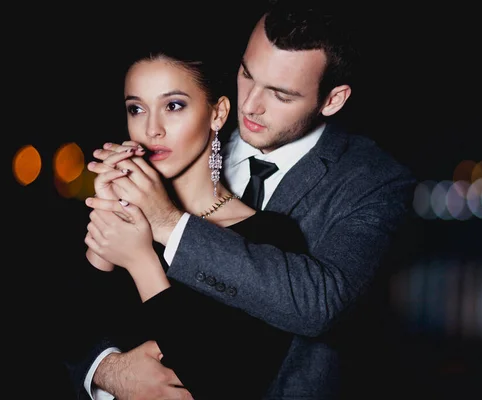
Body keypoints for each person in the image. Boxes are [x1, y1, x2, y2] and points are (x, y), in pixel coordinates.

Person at [84, 0, 416, 398]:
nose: (251, 105)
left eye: (280, 93)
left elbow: (320, 303)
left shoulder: (374, 180)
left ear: (332, 99)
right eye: (246, 74)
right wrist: (106, 370)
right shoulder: (177, 145)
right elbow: (72, 315)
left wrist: (168, 223)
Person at [63, 45, 311, 400]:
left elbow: (222, 382)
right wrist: (107, 211)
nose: (152, 129)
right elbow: (68, 340)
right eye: (136, 108)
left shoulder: (272, 237)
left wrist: (141, 262)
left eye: (173, 106)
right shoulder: (122, 218)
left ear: (217, 113)